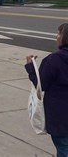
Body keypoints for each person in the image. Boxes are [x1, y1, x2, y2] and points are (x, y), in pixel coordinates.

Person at [25, 23, 68, 156]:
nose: (57, 36)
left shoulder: (53, 60)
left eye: (59, 33)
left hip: (61, 117)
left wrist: (30, 66)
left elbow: (41, 85)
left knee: (64, 149)